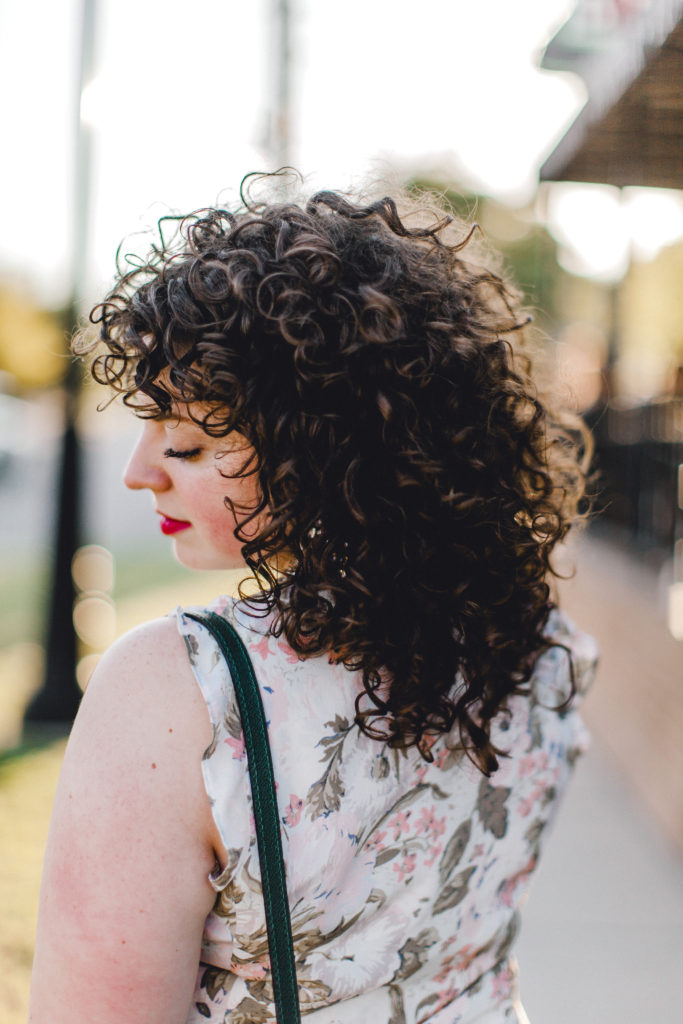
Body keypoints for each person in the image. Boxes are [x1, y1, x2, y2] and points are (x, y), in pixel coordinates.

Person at [29, 172, 598, 1024]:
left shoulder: (182, 690)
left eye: (184, 442)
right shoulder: (536, 645)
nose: (137, 472)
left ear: (321, 446)